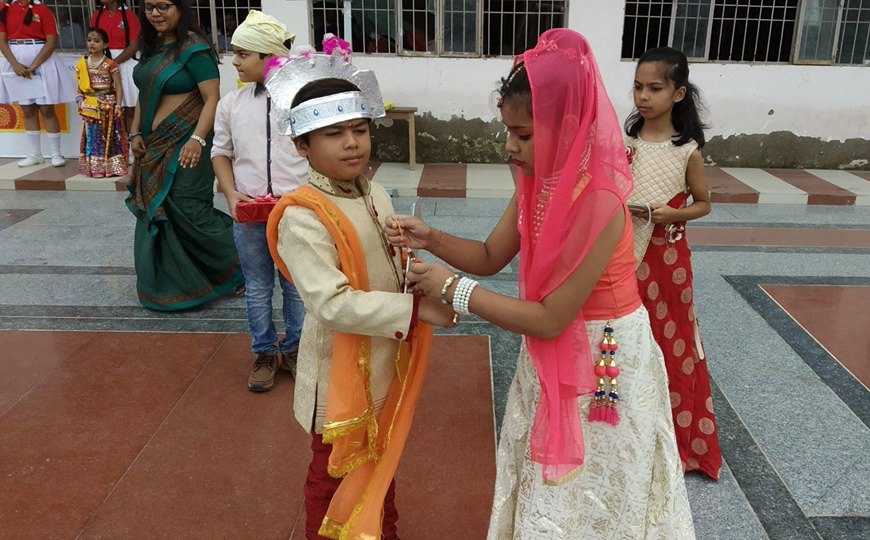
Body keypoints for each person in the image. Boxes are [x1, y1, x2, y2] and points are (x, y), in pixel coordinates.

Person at [385, 29, 695, 538]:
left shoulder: (599, 200)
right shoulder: (540, 182)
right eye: (507, 131)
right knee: (546, 478)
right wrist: (432, 238)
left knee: (596, 485)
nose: (510, 147)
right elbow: (490, 255)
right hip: (550, 353)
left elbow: (551, 318)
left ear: (569, 124)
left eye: (524, 135)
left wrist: (450, 289)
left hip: (603, 358)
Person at [263, 36, 454, 540]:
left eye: (359, 129)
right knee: (331, 483)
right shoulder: (303, 216)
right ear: (302, 145)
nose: (352, 143)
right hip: (338, 379)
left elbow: (385, 265)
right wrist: (414, 312)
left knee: (381, 469)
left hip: (381, 365)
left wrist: (408, 258)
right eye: (333, 134)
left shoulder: (376, 191)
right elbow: (330, 303)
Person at [625, 46, 721, 481]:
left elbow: (704, 204)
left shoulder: (688, 152)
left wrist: (673, 214)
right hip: (624, 253)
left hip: (667, 261)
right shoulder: (625, 144)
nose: (643, 97)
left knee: (673, 344)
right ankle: (627, 434)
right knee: (624, 339)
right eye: (638, 87)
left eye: (655, 88)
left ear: (678, 93)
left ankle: (679, 444)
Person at [125, 0, 242, 310]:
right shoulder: (151, 47)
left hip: (191, 141)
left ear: (179, 8)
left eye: (163, 6)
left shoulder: (193, 47)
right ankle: (174, 284)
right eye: (149, 7)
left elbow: (212, 98)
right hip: (154, 143)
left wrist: (197, 139)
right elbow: (144, 94)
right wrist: (136, 131)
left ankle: (242, 264)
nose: (156, 14)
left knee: (190, 208)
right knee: (161, 208)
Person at [211, 11, 305, 392]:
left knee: (296, 284)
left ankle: (297, 349)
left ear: (268, 56)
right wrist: (232, 194)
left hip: (296, 210)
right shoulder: (230, 104)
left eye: (243, 53)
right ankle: (265, 351)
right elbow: (221, 153)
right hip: (248, 212)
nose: (235, 61)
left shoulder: (300, 101)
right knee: (257, 285)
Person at [0, 0, 76, 167]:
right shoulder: (4, 8)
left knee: (47, 108)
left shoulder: (42, 9)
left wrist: (34, 66)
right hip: (16, 58)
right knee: (27, 109)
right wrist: (15, 65)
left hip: (42, 60)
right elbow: (2, 40)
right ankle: (35, 154)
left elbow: (51, 41)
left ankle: (56, 153)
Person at [76, 27, 127, 178]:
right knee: (92, 136)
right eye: (89, 40)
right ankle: (94, 168)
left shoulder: (110, 64)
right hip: (90, 107)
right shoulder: (82, 64)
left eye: (97, 41)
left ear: (105, 45)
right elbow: (80, 86)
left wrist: (118, 105)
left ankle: (110, 168)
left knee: (109, 136)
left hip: (108, 106)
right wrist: (80, 100)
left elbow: (118, 86)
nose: (92, 43)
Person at [91, 0, 140, 140]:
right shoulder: (98, 15)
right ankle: (118, 146)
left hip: (126, 62)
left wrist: (112, 64)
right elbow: (93, 40)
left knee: (130, 107)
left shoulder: (129, 16)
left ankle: (133, 146)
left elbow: (134, 45)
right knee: (110, 108)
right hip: (103, 63)